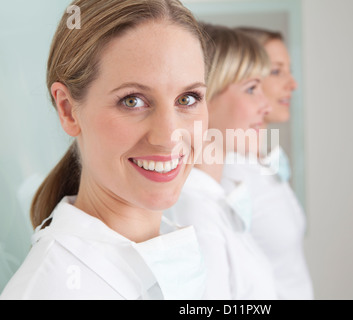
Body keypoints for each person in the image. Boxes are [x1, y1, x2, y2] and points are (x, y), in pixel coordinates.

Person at [0, 0, 209, 300]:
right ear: (68, 110)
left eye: (187, 99)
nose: (168, 137)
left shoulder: (175, 254)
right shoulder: (51, 289)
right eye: (132, 101)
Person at [163, 23, 277, 299]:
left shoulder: (213, 197)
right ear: (203, 96)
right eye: (252, 89)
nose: (267, 106)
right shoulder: (192, 213)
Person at [220, 26, 314, 299]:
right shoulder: (228, 175)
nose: (292, 83)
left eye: (289, 70)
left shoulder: (260, 161)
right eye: (276, 71)